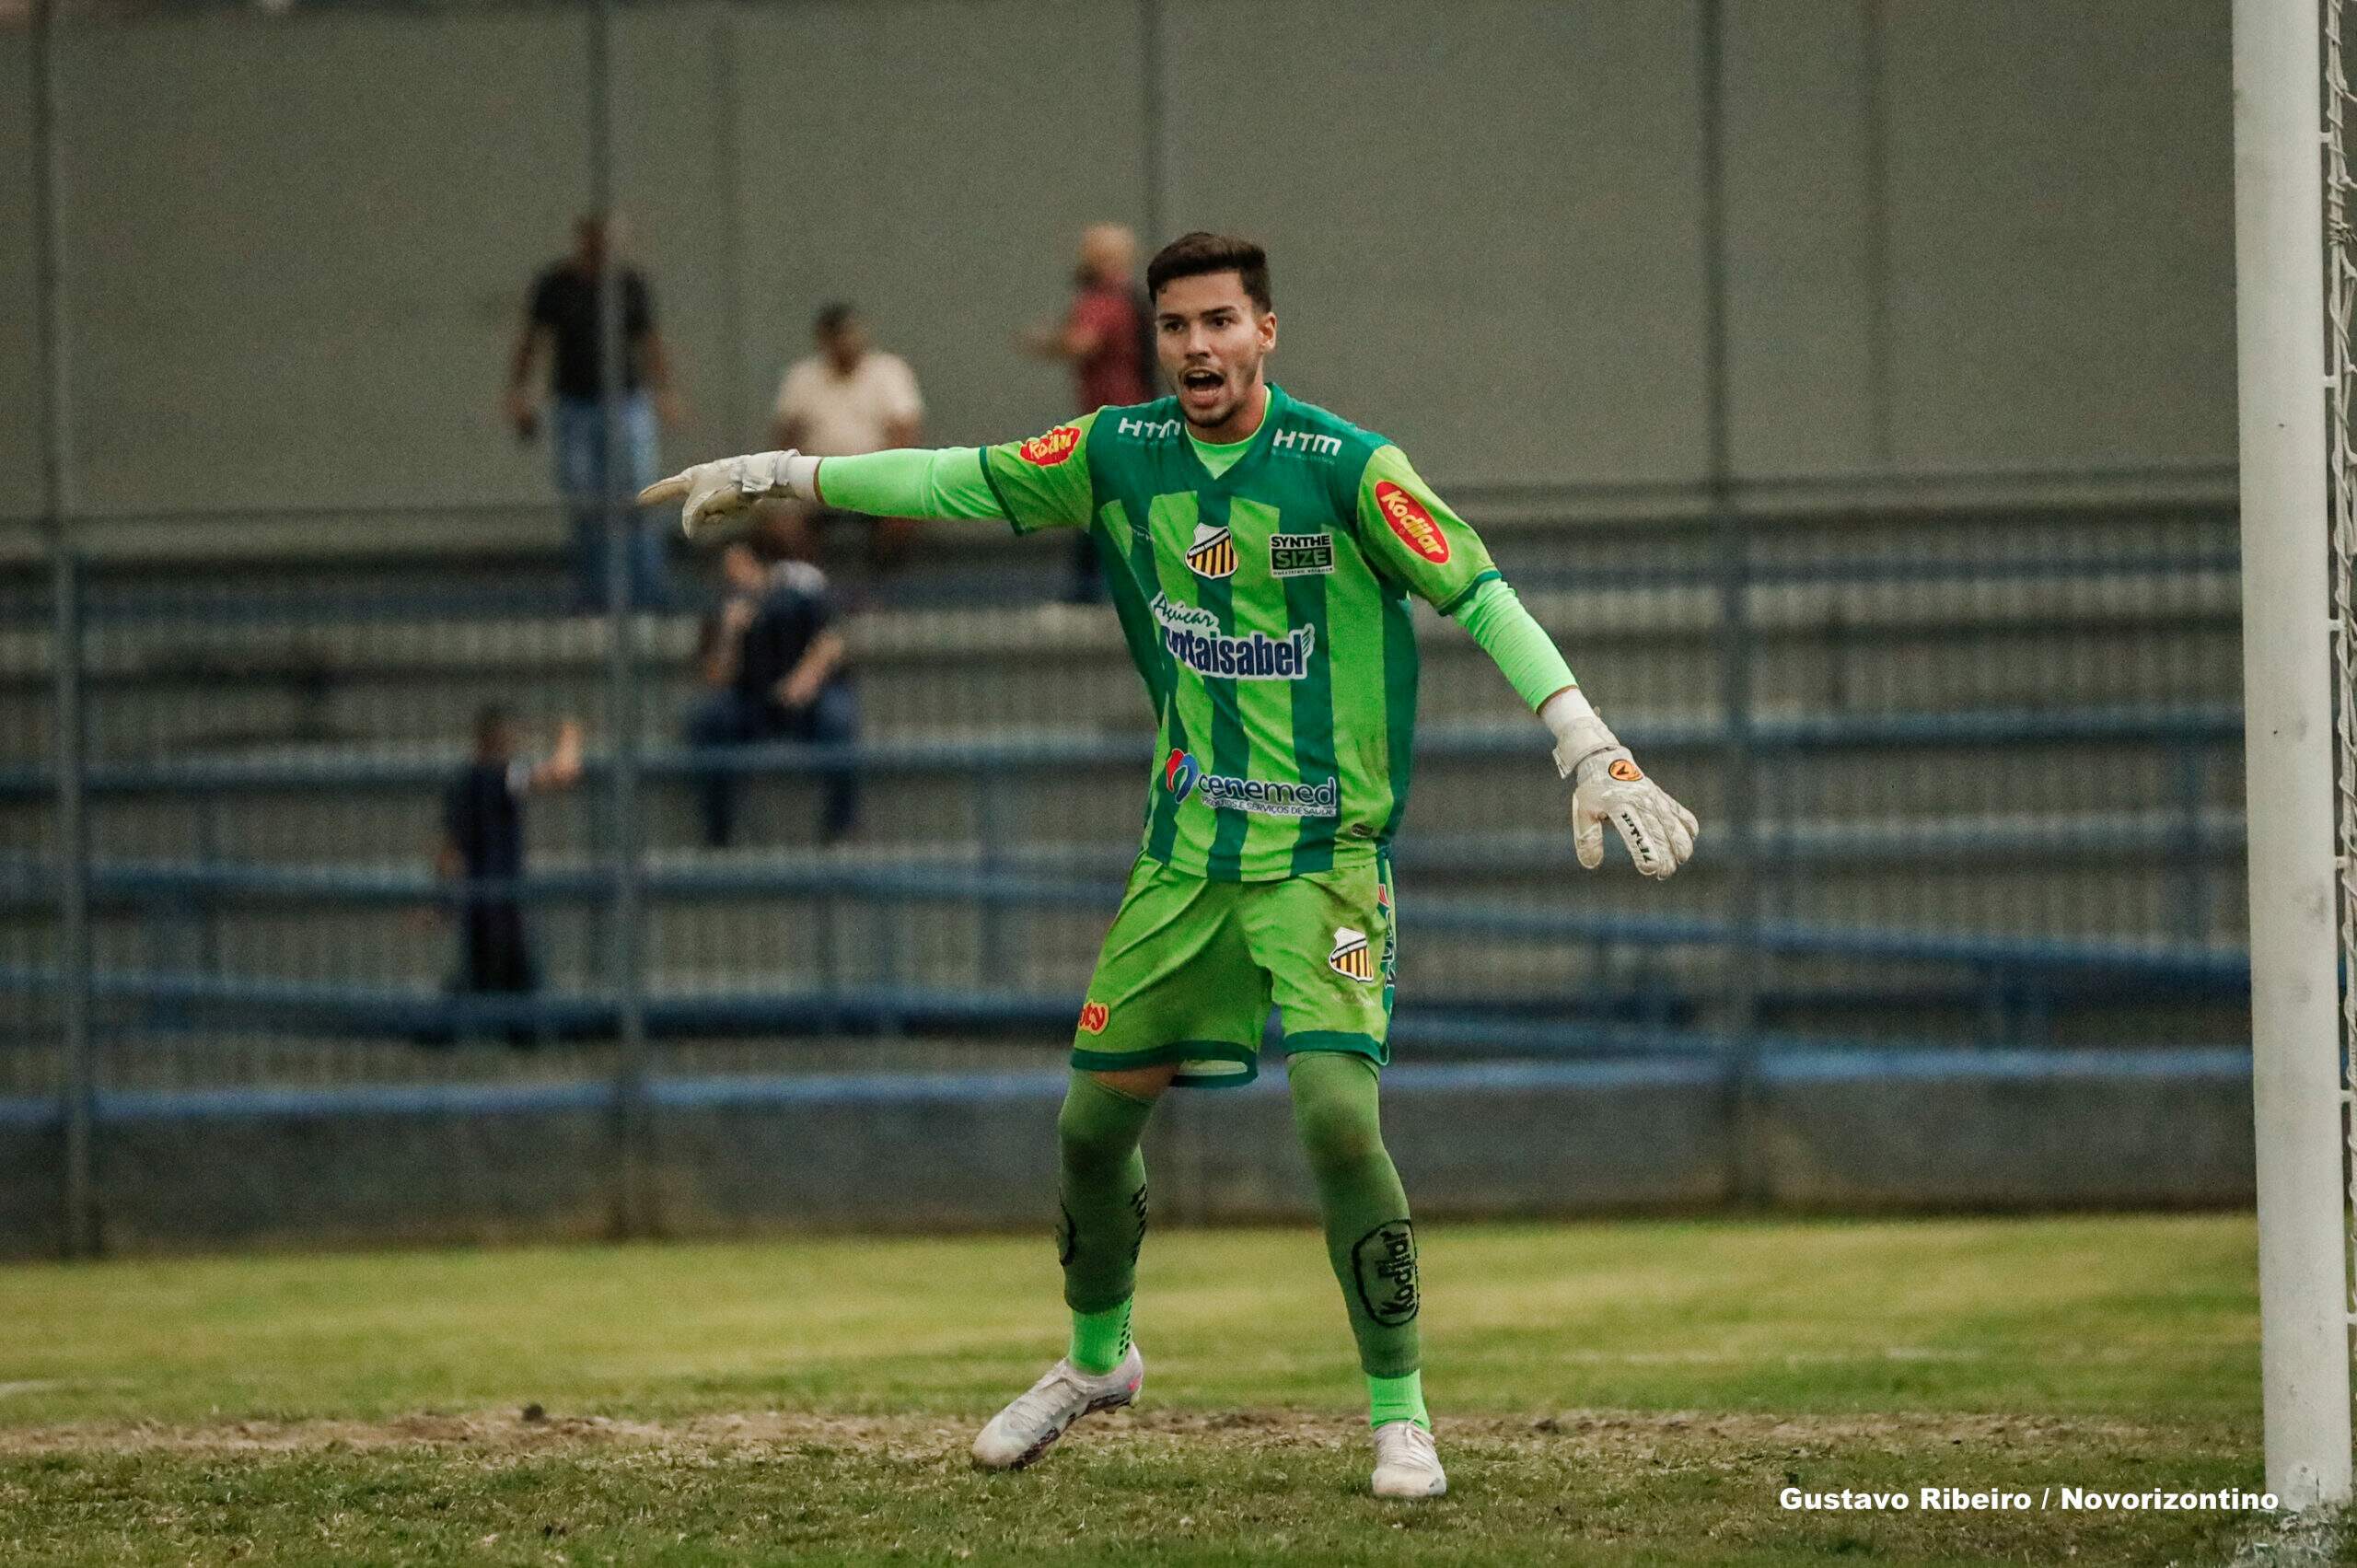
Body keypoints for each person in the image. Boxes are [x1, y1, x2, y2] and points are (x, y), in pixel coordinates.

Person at [642, 232, 1699, 1499]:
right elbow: (952, 477)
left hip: (1324, 859)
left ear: (1266, 331)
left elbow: (1479, 590)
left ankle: (1400, 1412)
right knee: (1090, 1125)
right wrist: (779, 468)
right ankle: (1099, 1361)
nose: (1197, 346)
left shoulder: (1349, 468)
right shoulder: (1116, 454)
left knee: (1336, 1116)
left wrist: (1586, 739)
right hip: (1188, 858)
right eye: (1178, 325)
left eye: (1220, 322)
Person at [505, 214, 683, 609]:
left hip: (627, 403)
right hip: (575, 405)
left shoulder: (629, 284)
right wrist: (519, 393)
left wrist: (665, 393)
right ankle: (595, 595)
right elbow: (533, 340)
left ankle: (648, 593)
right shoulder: (556, 284)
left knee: (640, 495)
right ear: (583, 240)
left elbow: (650, 341)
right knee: (585, 500)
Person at [683, 518, 858, 848]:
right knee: (710, 719)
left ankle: (840, 830)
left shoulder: (799, 590)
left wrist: (805, 679)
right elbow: (716, 678)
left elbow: (832, 641)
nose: (734, 576)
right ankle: (718, 833)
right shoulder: (725, 609)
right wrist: (730, 635)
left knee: (838, 720)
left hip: (810, 698)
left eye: (740, 566)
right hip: (753, 702)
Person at [1019, 223, 1156, 603]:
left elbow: (1082, 343)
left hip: (1114, 422)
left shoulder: (1104, 303)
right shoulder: (1126, 301)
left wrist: (1043, 342)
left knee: (1100, 503)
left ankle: (1088, 595)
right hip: (1129, 419)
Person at [435, 706, 584, 1042]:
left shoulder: (467, 781)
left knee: (496, 978)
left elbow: (449, 850)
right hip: (496, 905)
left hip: (486, 903)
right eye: (509, 739)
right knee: (499, 982)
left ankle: (453, 1033)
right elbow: (563, 772)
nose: (515, 746)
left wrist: (445, 902)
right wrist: (571, 734)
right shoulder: (497, 777)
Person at [771, 303, 925, 572]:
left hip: (876, 476)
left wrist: (883, 475)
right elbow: (786, 437)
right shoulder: (802, 377)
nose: (846, 342)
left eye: (850, 333)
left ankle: (882, 586)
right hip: (815, 478)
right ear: (824, 340)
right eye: (837, 336)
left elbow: (905, 434)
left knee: (909, 506)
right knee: (778, 515)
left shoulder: (888, 371)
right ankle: (814, 583)